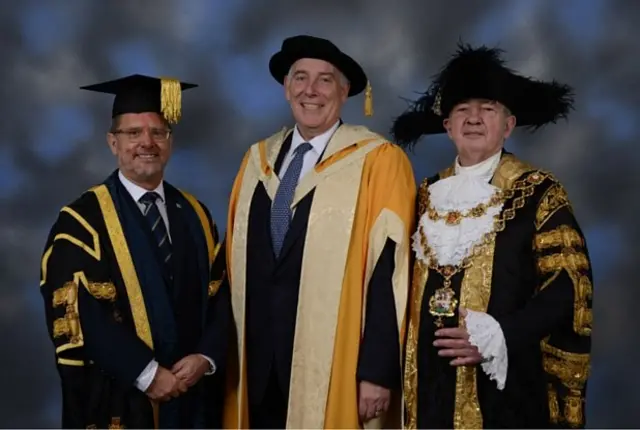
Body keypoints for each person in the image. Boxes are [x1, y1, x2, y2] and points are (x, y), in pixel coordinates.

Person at [390, 43, 593, 429]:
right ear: (447, 127)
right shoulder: (420, 196)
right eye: (462, 110)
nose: (474, 118)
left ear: (508, 124)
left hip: (508, 387)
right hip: (427, 384)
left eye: (487, 108)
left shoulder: (539, 193)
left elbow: (569, 288)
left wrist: (500, 334)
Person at [222, 35, 416, 429]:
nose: (311, 91)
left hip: (335, 368)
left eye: (325, 80)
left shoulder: (378, 161)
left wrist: (377, 371)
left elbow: (390, 272)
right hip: (253, 366)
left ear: (345, 92)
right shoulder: (256, 160)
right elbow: (232, 266)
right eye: (300, 78)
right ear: (286, 88)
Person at [39, 74, 231, 429]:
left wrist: (205, 356)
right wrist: (147, 373)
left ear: (170, 141)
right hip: (121, 401)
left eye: (158, 132)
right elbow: (81, 315)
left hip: (192, 399)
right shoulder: (82, 221)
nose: (147, 143)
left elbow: (221, 298)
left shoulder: (196, 215)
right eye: (133, 133)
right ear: (113, 142)